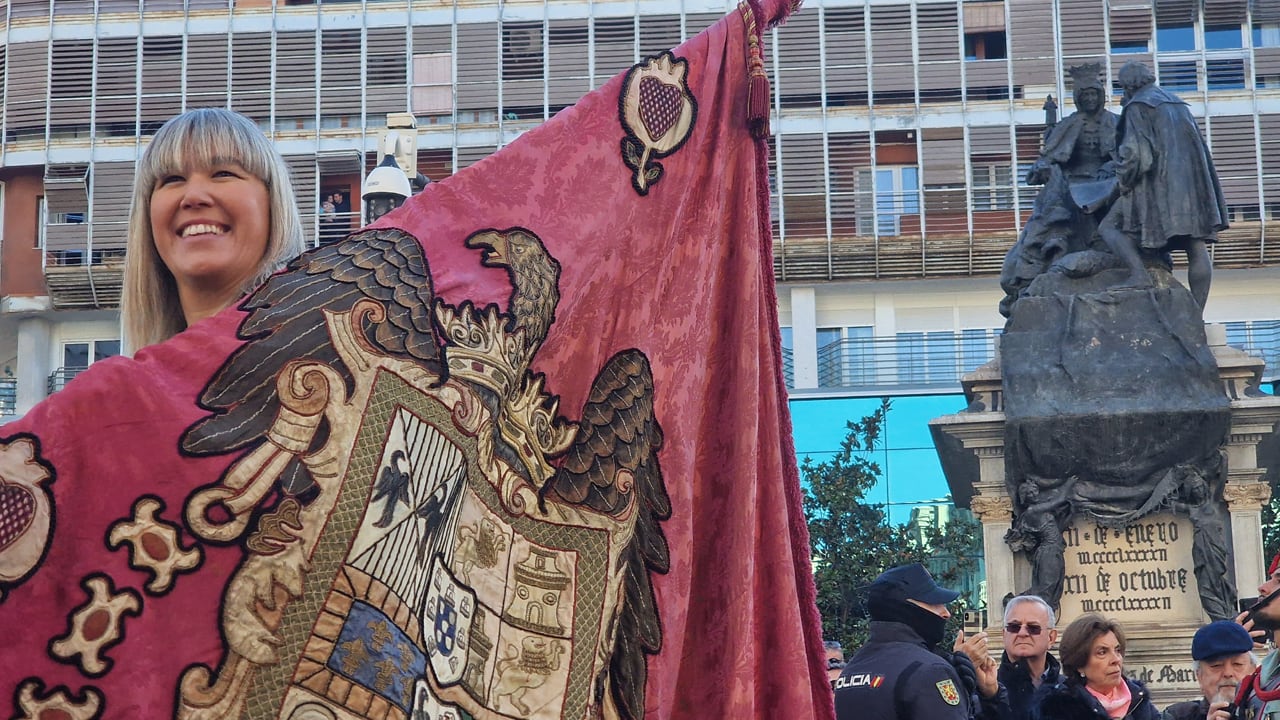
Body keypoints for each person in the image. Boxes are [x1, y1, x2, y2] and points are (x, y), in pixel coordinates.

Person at [121, 107, 306, 352]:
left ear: (273, 203)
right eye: (173, 179)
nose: (193, 196)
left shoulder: (331, 352)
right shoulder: (135, 384)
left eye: (223, 173)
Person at [1097, 60, 1228, 310]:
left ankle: (1138, 275)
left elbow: (1137, 156)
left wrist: (1121, 181)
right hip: (1192, 186)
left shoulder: (1138, 106)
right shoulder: (1177, 102)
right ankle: (1197, 313)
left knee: (1109, 227)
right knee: (1195, 244)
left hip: (1157, 187)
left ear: (1127, 86)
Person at [834, 563, 1005, 719]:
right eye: (935, 603)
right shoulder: (929, 670)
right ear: (905, 607)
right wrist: (960, 675)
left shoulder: (850, 670)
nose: (946, 613)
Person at [1031, 613, 1159, 720]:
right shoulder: (1059, 708)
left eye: (1117, 650)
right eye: (1102, 652)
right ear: (1079, 664)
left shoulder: (1138, 699)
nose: (1115, 659)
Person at [973, 594, 1063, 720]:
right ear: (1004, 635)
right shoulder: (983, 690)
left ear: (1051, 638)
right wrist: (990, 698)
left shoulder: (1070, 691)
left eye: (1033, 628)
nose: (1022, 633)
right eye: (1014, 627)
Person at [1160, 620, 1258, 720]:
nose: (1228, 673)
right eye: (1216, 665)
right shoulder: (1177, 716)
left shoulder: (1269, 711)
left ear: (1253, 671)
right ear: (1199, 676)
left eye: (1237, 664)